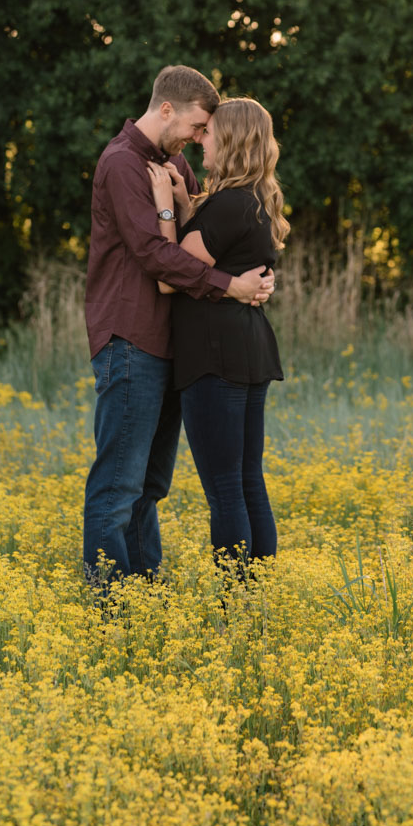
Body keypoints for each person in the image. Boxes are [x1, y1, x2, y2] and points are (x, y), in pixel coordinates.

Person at [82, 65, 274, 587]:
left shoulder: (172, 163)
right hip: (131, 338)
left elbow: (200, 233)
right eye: (195, 125)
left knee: (149, 487)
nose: (198, 137)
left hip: (172, 345)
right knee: (118, 485)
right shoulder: (123, 164)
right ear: (167, 108)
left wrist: (249, 276)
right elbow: (155, 255)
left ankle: (144, 597)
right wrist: (230, 286)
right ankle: (110, 609)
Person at [147, 96, 287, 573]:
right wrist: (189, 204)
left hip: (214, 356)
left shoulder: (228, 204)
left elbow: (170, 275)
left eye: (208, 133)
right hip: (248, 348)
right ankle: (258, 604)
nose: (199, 139)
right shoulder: (253, 201)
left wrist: (166, 210)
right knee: (248, 481)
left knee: (226, 489)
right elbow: (209, 257)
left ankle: (238, 606)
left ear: (229, 140)